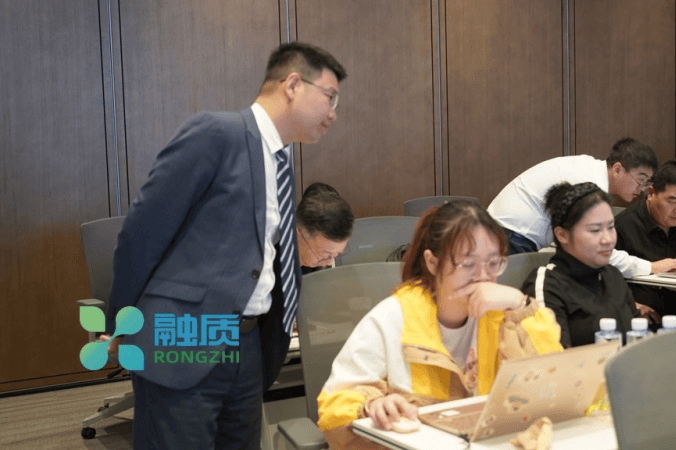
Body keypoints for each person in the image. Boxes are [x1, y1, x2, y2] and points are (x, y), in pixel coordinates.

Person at [102, 42, 346, 449]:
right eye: (330, 96)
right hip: (185, 334)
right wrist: (120, 323)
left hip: (247, 343)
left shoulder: (282, 161)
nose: (334, 112)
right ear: (292, 85)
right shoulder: (217, 132)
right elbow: (141, 234)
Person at [316, 200, 563, 449]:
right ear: (432, 263)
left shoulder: (502, 313)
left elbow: (554, 386)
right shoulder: (394, 316)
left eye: (493, 263)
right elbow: (334, 406)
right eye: (468, 264)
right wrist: (370, 406)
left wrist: (520, 305)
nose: (483, 277)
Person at [487, 138, 676, 277]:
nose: (641, 189)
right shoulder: (589, 185)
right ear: (617, 169)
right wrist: (651, 267)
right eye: (640, 179)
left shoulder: (590, 170)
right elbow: (594, 248)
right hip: (510, 237)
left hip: (511, 233)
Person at [521, 182, 639, 348]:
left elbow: (638, 340)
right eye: (595, 230)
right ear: (562, 235)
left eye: (611, 227)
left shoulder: (612, 275)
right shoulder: (547, 284)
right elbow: (552, 358)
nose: (608, 239)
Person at [615, 160, 676, 325]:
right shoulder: (623, 226)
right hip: (641, 319)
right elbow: (601, 279)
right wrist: (631, 305)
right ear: (651, 192)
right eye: (672, 201)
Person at [296, 182, 354, 274]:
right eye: (324, 255)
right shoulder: (273, 270)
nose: (329, 262)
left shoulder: (311, 264)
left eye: (337, 254)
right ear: (298, 233)